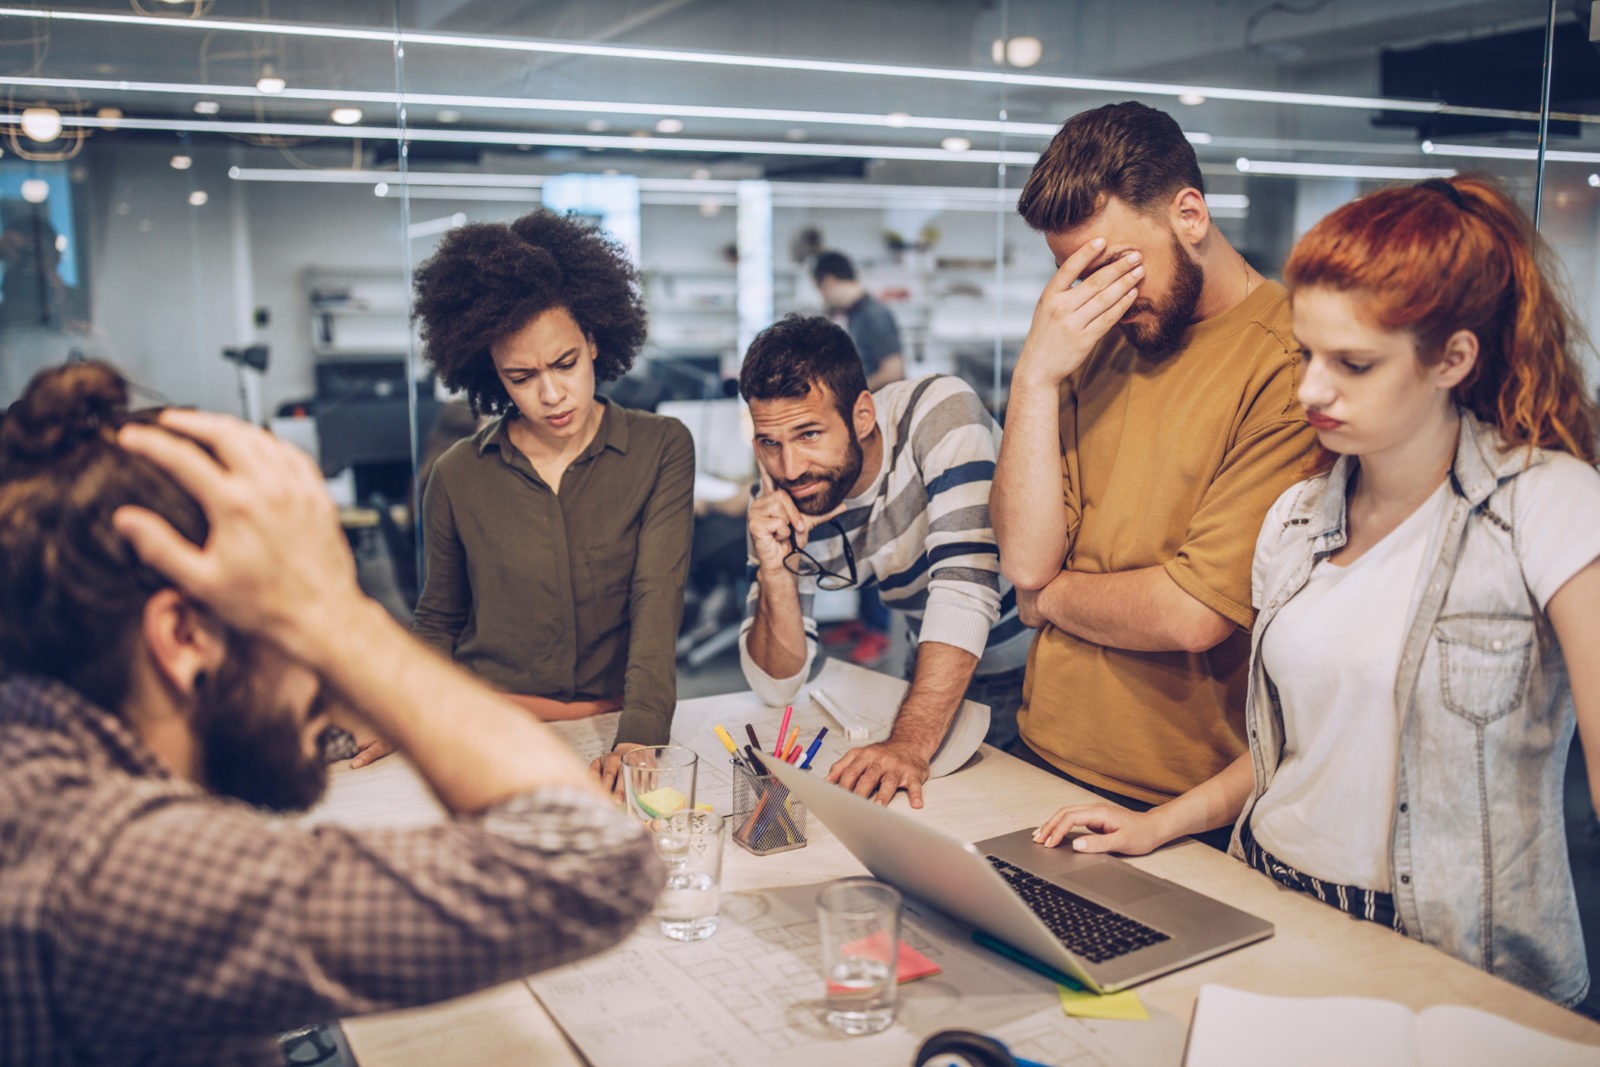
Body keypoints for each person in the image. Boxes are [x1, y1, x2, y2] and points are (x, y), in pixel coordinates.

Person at [1036, 175, 1600, 1006]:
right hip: (1269, 898)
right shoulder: (1299, 518)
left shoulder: (1549, 505)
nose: (1311, 390)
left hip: (1447, 950)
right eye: (1306, 354)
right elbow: (1294, 751)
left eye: (1354, 363)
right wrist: (1158, 824)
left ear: (1453, 358)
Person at [0, 361, 664, 1065]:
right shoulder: (111, 872)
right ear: (185, 637)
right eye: (285, 621)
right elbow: (594, 859)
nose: (322, 676)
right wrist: (336, 616)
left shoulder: (41, 757)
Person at [991, 101, 1317, 842]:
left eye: (1111, 262)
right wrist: (1034, 378)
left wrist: (1050, 599)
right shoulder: (1085, 342)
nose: (1093, 290)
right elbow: (1024, 557)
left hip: (1179, 799)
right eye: (1071, 269)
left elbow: (1189, 613)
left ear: (1190, 216)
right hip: (1039, 753)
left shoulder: (1291, 362)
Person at [408, 210, 695, 791]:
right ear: (491, 373)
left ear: (593, 339)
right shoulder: (458, 475)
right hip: (489, 726)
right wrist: (404, 710)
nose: (551, 393)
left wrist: (639, 735)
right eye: (521, 376)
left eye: (565, 363)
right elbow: (439, 619)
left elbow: (655, 599)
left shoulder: (660, 448)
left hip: (617, 722)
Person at [738, 314, 1031, 805]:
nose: (790, 467)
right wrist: (775, 571)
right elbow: (776, 684)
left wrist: (909, 744)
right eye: (771, 443)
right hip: (937, 663)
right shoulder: (781, 500)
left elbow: (966, 585)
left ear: (862, 416)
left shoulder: (936, 412)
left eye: (809, 434)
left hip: (1040, 658)